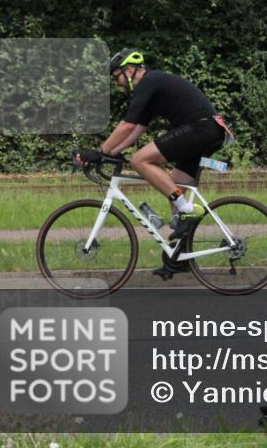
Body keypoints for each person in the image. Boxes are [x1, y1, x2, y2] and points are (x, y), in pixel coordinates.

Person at [76, 48, 232, 277]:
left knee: (139, 160)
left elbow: (127, 126)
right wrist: (112, 153)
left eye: (117, 77)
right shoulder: (151, 88)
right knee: (175, 185)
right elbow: (136, 131)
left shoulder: (149, 82)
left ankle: (187, 209)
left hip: (201, 128)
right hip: (208, 130)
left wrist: (99, 152)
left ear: (130, 70)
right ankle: (180, 256)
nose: (117, 83)